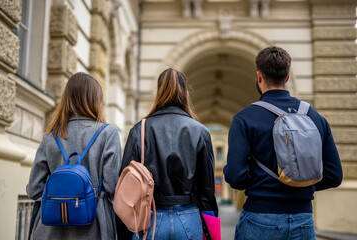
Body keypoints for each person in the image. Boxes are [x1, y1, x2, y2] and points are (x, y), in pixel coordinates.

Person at [224, 46, 343, 240]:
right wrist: (301, 183)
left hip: (260, 217)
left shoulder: (245, 118)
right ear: (287, 77)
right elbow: (334, 175)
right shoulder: (315, 118)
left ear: (259, 76)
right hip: (303, 219)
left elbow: (236, 177)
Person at [118, 68, 218, 239]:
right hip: (189, 218)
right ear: (185, 93)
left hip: (150, 218)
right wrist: (212, 230)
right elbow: (207, 189)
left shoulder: (139, 129)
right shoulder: (201, 132)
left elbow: (124, 182)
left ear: (159, 92)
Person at [26, 72, 122, 239]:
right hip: (95, 228)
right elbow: (112, 186)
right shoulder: (108, 134)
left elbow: (34, 189)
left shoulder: (51, 136)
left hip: (50, 230)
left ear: (67, 98)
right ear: (96, 100)